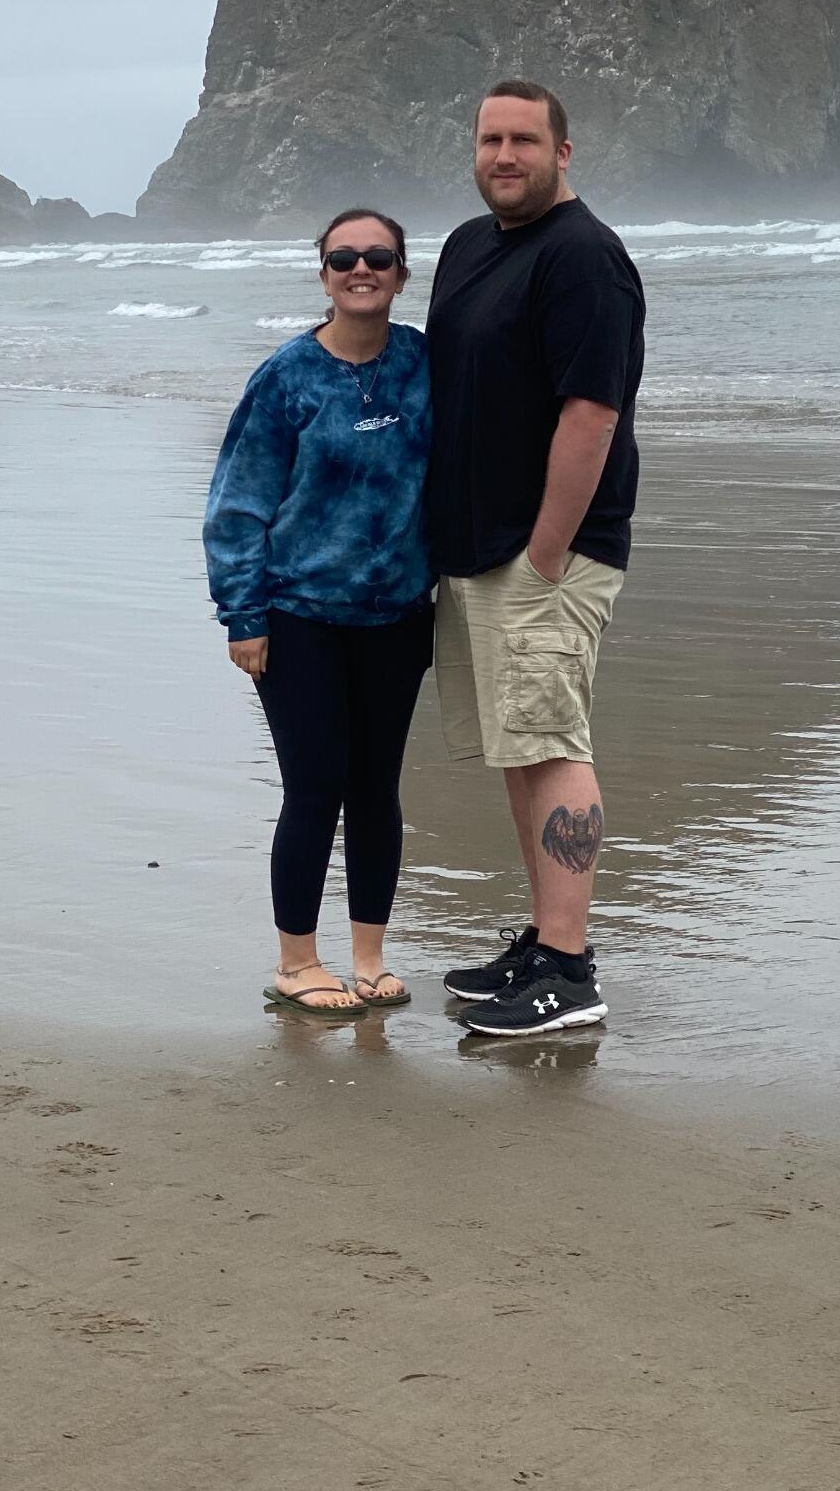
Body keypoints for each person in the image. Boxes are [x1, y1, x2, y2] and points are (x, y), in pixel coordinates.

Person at [424, 81, 646, 1038]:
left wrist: (547, 550)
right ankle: (544, 942)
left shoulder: (584, 257)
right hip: (479, 547)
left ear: (563, 151)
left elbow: (591, 412)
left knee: (552, 743)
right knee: (520, 743)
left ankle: (568, 970)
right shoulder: (468, 247)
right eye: (489, 139)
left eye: (523, 139)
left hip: (546, 552)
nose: (503, 156)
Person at [205, 210, 433, 1014]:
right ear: (324, 273)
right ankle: (296, 962)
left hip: (397, 615)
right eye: (343, 258)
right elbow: (237, 504)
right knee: (315, 785)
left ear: (401, 273)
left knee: (376, 788)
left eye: (377, 257)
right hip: (297, 615)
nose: (359, 268)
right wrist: (242, 614)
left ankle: (369, 958)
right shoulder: (286, 377)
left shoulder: (424, 365)